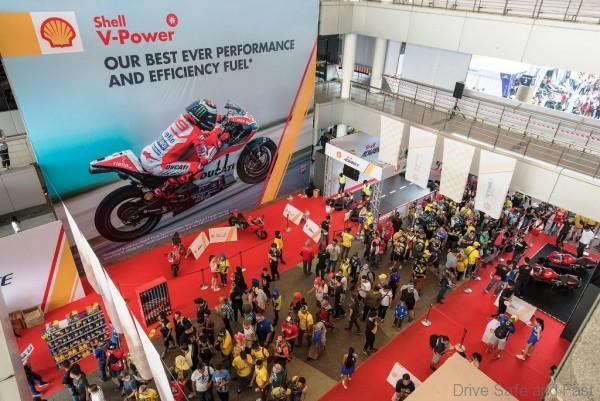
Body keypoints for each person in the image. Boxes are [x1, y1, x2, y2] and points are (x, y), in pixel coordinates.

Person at [140, 99, 230, 197]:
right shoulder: (196, 134)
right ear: (202, 117)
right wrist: (220, 140)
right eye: (210, 117)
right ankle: (163, 189)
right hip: (157, 165)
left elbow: (197, 130)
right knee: (198, 167)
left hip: (147, 154)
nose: (211, 119)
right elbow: (205, 159)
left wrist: (220, 118)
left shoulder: (182, 118)